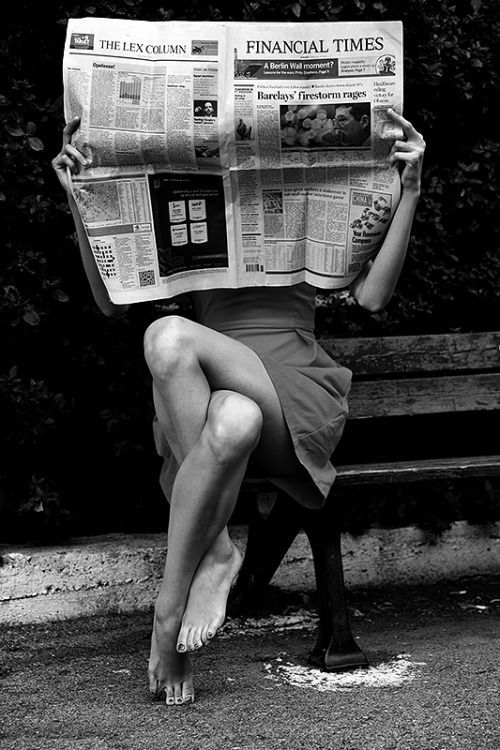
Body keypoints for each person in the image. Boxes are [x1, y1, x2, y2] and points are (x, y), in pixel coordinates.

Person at [52, 107, 425, 706]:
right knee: (231, 418)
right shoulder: (187, 203)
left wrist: (409, 190)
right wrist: (79, 198)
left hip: (294, 395)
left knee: (168, 336)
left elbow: (374, 297)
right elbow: (111, 302)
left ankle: (166, 622)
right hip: (205, 402)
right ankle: (219, 550)